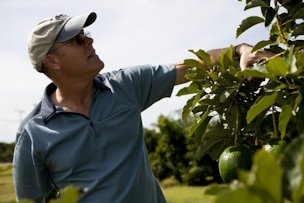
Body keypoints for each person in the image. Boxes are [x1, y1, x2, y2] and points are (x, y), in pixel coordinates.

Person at [13, 12, 273, 203]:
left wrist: (240, 50)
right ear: (51, 61)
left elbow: (188, 68)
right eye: (78, 39)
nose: (89, 41)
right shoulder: (33, 134)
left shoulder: (124, 86)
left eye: (87, 35)